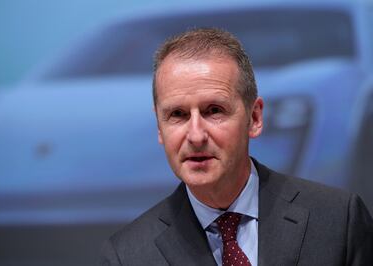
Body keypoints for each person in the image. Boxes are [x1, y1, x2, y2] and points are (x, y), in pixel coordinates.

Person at [100, 28, 373, 266]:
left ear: (254, 118)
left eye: (214, 110)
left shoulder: (337, 220)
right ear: (160, 129)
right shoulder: (127, 256)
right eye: (178, 115)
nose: (195, 136)